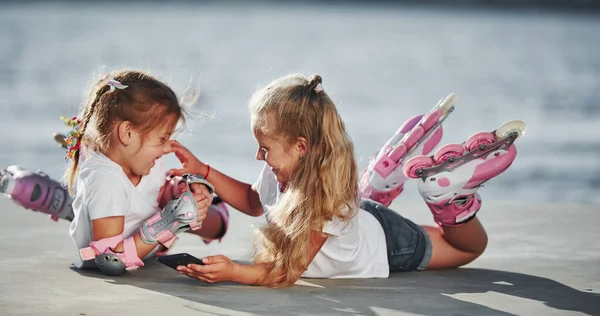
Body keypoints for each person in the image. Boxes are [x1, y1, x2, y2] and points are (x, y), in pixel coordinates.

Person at [166, 73, 522, 287]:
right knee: (353, 208)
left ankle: (450, 201)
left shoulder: (322, 203)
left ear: (301, 146)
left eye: (264, 148)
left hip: (388, 243)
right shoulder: (283, 166)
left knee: (468, 248)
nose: (259, 156)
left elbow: (286, 272)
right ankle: (378, 185)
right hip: (358, 216)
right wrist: (204, 169)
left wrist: (234, 273)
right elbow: (252, 200)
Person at [57, 70, 228, 274]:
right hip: (132, 252)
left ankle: (64, 203)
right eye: (162, 139)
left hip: (148, 246)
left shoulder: (144, 161)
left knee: (214, 217)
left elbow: (156, 193)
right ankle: (57, 200)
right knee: (213, 219)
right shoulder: (106, 181)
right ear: (127, 133)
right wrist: (169, 222)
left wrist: (181, 191)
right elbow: (109, 260)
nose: (167, 149)